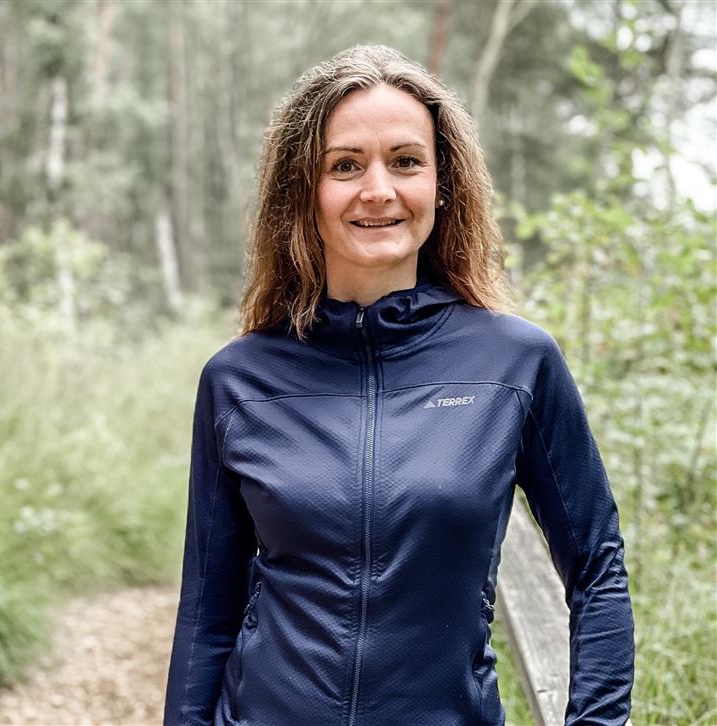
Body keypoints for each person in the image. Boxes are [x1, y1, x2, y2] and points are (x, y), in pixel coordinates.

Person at [163, 44, 634, 726]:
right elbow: (208, 612)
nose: (377, 189)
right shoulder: (240, 380)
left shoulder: (516, 364)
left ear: (442, 184)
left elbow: (597, 569)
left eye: (406, 161)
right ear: (304, 190)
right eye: (345, 165)